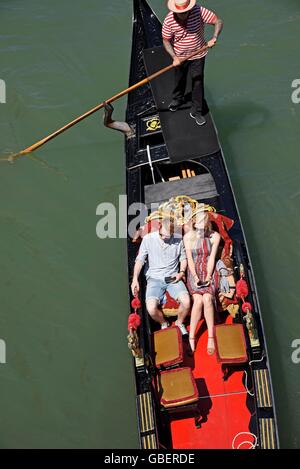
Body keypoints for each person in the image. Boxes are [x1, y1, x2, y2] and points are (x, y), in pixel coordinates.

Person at [162, 0, 223, 126]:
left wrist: (214, 37)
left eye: (185, 12)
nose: (184, 14)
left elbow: (218, 21)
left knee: (197, 81)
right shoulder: (169, 21)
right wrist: (174, 57)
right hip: (180, 56)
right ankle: (177, 99)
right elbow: (166, 41)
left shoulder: (199, 11)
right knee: (179, 79)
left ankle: (197, 111)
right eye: (181, 12)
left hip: (199, 54)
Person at [131, 217, 190, 335]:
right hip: (154, 279)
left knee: (187, 302)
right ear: (159, 227)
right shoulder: (148, 239)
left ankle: (179, 322)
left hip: (172, 278)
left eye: (167, 237)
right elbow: (140, 260)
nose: (163, 238)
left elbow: (183, 258)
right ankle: (163, 323)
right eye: (161, 234)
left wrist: (181, 273)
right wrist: (135, 279)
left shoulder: (178, 240)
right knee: (151, 309)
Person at [184, 210, 220, 353]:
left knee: (207, 298)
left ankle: (211, 336)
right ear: (193, 224)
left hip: (209, 271)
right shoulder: (187, 238)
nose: (200, 232)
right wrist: (196, 277)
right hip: (194, 272)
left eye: (203, 229)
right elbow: (190, 260)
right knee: (198, 301)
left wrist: (208, 276)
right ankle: (192, 337)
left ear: (207, 226)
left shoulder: (214, 237)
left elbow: (211, 258)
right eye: (198, 228)